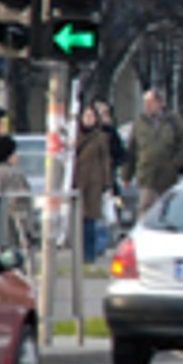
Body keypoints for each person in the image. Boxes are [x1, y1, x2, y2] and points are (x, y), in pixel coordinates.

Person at [124, 88, 183, 215]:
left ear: (159, 103)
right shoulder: (140, 123)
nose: (147, 106)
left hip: (168, 177)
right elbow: (131, 149)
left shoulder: (173, 121)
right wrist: (126, 175)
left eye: (150, 102)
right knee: (145, 208)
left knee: (167, 211)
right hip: (146, 176)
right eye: (145, 102)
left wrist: (175, 164)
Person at [73, 106, 113, 262]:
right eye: (86, 116)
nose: (89, 119)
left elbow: (105, 161)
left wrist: (107, 183)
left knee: (90, 220)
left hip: (94, 184)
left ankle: (89, 254)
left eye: (91, 116)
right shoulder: (75, 137)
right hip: (78, 183)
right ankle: (80, 253)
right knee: (78, 220)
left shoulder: (101, 138)